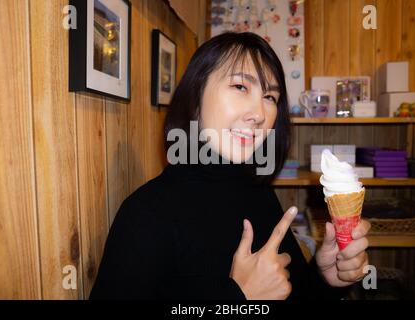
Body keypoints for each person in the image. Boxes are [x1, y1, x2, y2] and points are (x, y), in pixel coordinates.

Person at [89, 32, 370, 300]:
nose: (259, 114)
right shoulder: (147, 214)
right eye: (240, 87)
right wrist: (236, 298)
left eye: (270, 97)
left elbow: (291, 292)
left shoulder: (258, 192)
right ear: (195, 99)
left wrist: (326, 278)